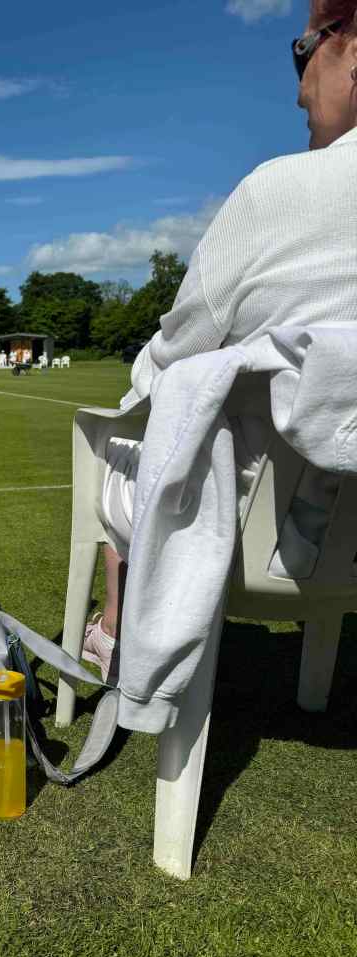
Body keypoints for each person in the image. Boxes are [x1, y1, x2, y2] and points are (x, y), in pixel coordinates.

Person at [82, 4, 357, 693]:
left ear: (352, 48)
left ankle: (116, 626)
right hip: (346, 538)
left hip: (248, 536)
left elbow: (179, 349)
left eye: (302, 53)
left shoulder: (279, 188)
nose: (298, 92)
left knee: (130, 432)